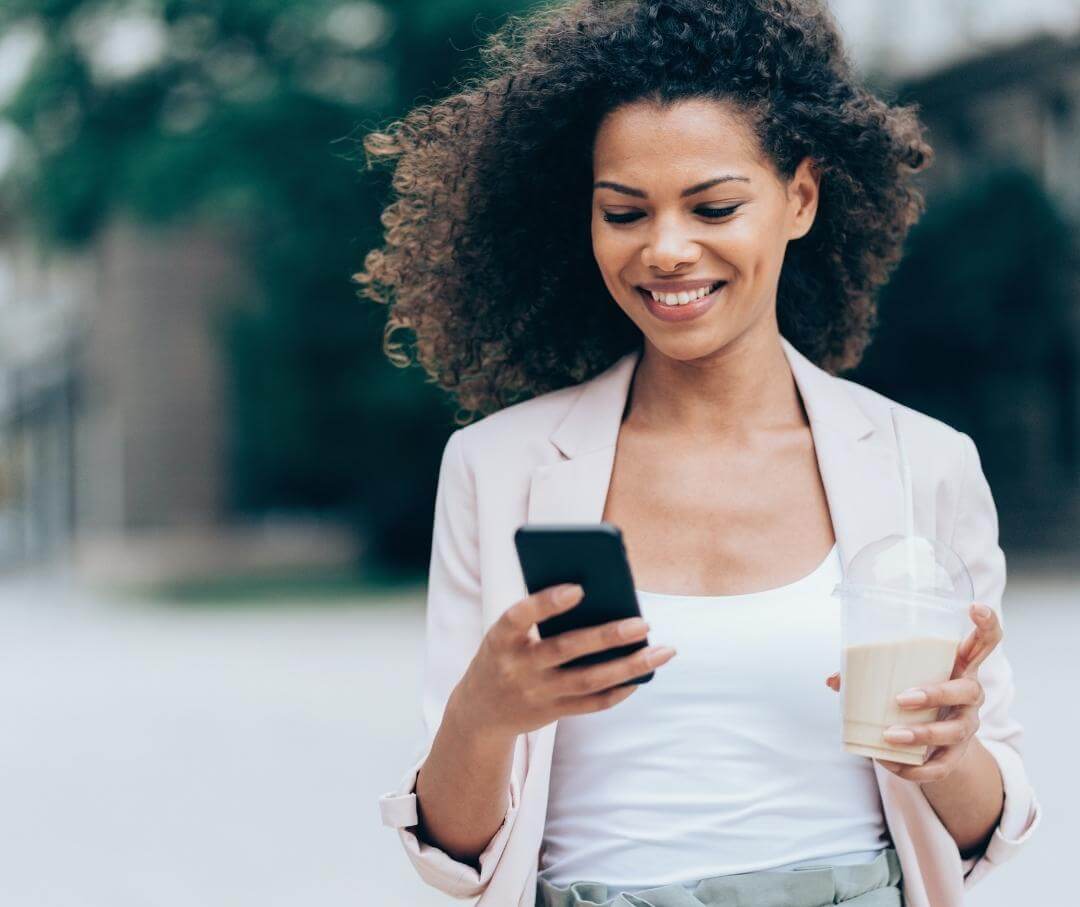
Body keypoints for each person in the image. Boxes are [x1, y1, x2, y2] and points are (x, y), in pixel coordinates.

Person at [359, 2, 1041, 905]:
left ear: (800, 198)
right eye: (624, 212)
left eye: (714, 206)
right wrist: (486, 712)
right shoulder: (500, 467)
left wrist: (949, 755)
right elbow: (454, 854)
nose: (667, 249)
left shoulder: (925, 464)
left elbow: (987, 827)